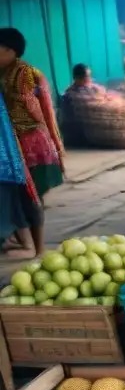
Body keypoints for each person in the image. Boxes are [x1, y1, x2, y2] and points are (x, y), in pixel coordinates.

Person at [0, 28, 65, 259]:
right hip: (10, 145)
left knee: (32, 196)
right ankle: (23, 243)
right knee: (15, 195)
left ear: (10, 50)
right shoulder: (4, 72)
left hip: (32, 145)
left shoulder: (26, 74)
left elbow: (38, 112)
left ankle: (39, 250)